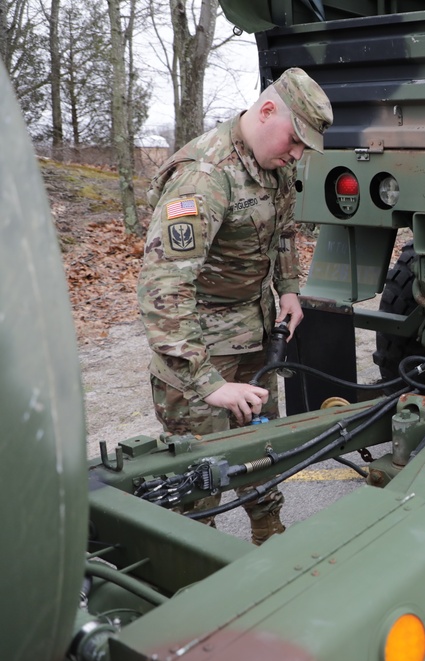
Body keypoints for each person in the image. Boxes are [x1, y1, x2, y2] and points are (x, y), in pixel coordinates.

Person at [137, 68, 333, 545]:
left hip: (256, 337)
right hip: (200, 356)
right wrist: (209, 385)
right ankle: (190, 583)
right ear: (266, 111)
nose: (296, 153)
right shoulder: (204, 177)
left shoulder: (275, 167)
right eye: (294, 139)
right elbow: (162, 292)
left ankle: (270, 540)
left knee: (263, 453)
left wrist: (288, 288)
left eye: (303, 146)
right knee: (197, 485)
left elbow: (283, 231)